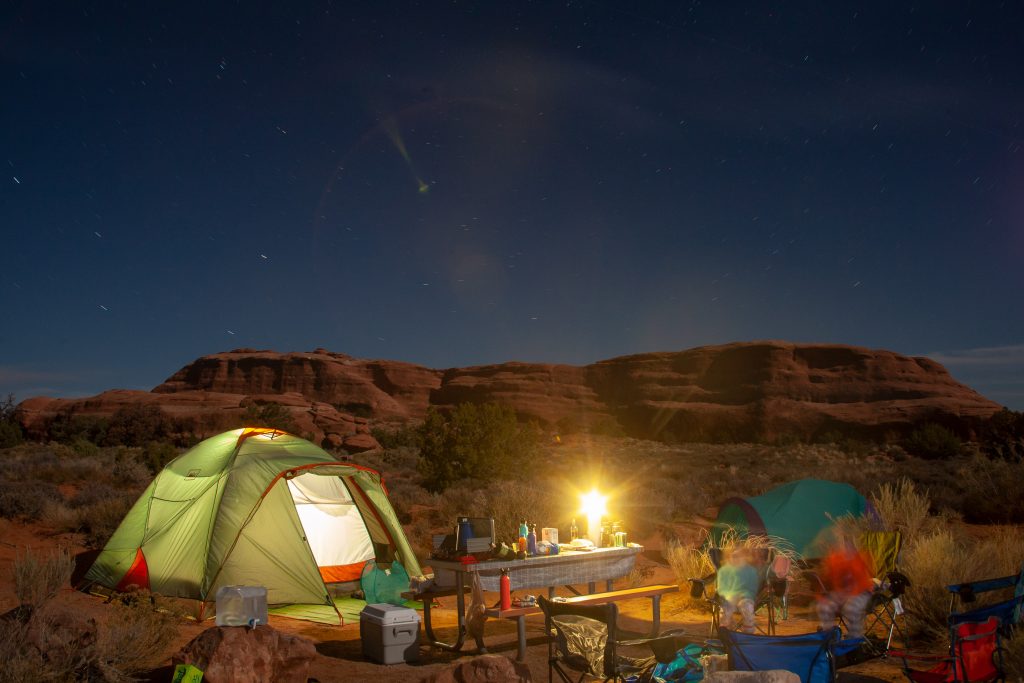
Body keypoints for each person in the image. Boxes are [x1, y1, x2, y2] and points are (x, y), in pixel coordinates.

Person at [816, 535, 874, 638]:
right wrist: (822, 596)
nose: (845, 547)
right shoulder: (835, 558)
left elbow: (861, 580)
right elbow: (828, 580)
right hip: (842, 593)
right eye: (842, 544)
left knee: (851, 607)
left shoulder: (861, 557)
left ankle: (854, 640)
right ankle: (828, 637)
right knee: (823, 606)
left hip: (862, 591)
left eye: (848, 544)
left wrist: (851, 558)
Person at [716, 546, 760, 634]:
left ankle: (748, 633)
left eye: (739, 556)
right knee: (726, 608)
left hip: (745, 596)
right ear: (728, 557)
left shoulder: (751, 571)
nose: (735, 558)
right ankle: (727, 631)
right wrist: (730, 596)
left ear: (744, 557)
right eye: (733, 556)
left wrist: (744, 595)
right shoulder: (723, 571)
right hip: (729, 597)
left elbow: (752, 588)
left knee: (747, 607)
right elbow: (721, 589)